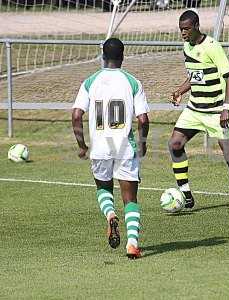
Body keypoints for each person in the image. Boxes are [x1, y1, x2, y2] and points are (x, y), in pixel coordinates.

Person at [71, 38, 150, 259]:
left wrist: (82, 145)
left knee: (103, 188)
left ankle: (110, 214)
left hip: (100, 148)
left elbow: (77, 115)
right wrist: (142, 144)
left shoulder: (90, 81)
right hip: (125, 147)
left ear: (102, 57)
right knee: (130, 199)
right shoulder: (133, 82)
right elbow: (143, 119)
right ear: (123, 56)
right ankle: (132, 244)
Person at [169, 10, 229, 214]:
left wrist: (225, 109)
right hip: (194, 109)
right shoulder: (186, 46)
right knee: (175, 144)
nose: (183, 33)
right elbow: (196, 75)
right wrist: (180, 90)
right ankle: (186, 195)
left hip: (216, 112)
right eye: (181, 30)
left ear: (196, 26)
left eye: (186, 29)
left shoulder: (213, 46)